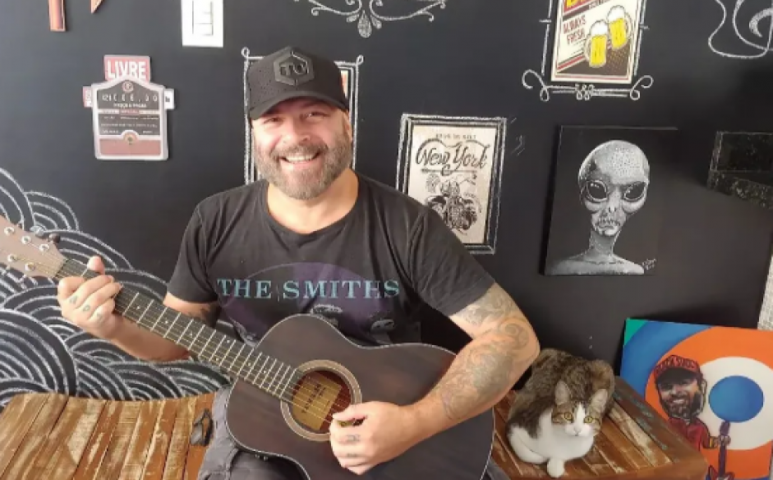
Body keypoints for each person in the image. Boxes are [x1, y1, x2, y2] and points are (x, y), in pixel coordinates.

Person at [56, 45, 540, 479]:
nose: (295, 136)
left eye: (314, 114)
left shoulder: (408, 226)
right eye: (273, 120)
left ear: (346, 123)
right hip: (264, 425)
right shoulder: (215, 221)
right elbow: (175, 339)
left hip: (400, 438)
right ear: (254, 133)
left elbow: (514, 340)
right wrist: (112, 328)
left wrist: (413, 424)